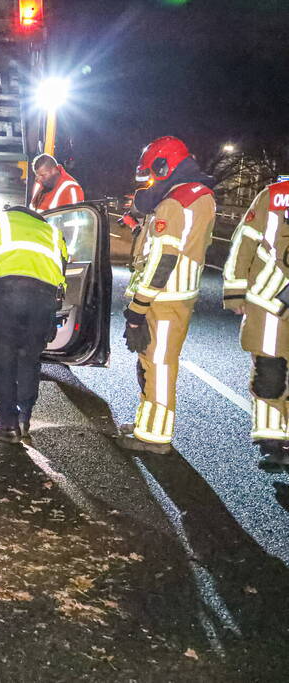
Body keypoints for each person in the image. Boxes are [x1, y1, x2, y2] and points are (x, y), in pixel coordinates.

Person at [118, 136, 216, 454]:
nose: (149, 180)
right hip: (176, 295)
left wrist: (138, 306)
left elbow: (163, 260)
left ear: (164, 166)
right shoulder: (197, 195)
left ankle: (155, 436)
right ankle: (147, 425)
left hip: (163, 297)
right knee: (152, 360)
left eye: (151, 172)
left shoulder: (175, 201)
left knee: (158, 363)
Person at [0, 206, 68, 444]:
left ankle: (7, 425)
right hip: (43, 301)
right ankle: (24, 420)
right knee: (29, 359)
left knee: (4, 361)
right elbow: (62, 272)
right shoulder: (54, 232)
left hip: (4, 296)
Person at [223, 180, 289, 471]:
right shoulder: (274, 196)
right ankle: (271, 441)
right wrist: (235, 291)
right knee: (270, 374)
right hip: (269, 302)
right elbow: (244, 241)